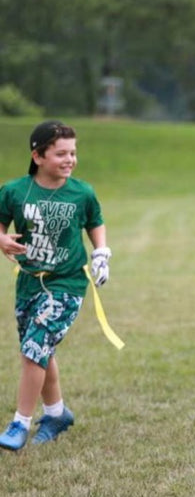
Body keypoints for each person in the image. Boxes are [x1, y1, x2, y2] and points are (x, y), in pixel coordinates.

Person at [0, 121, 111, 451]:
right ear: (37, 155)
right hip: (30, 284)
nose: (70, 159)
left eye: (73, 153)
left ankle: (20, 423)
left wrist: (101, 252)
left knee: (34, 350)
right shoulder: (14, 191)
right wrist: (3, 240)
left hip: (67, 284)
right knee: (39, 352)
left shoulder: (82, 192)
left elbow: (95, 223)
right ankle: (57, 414)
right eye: (61, 153)